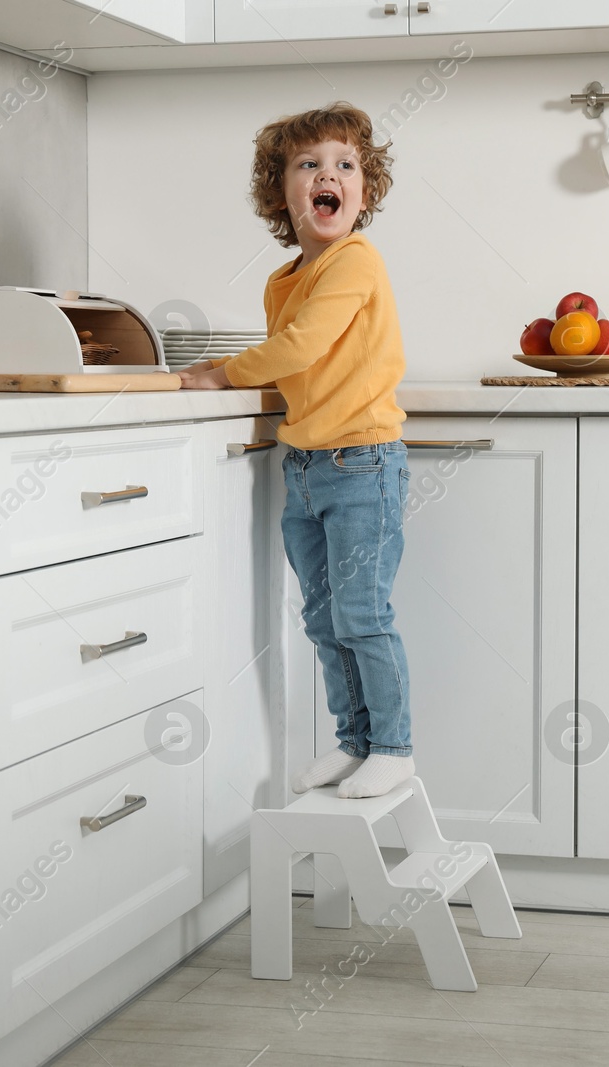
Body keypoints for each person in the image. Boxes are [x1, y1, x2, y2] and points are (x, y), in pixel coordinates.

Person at [178, 102, 412, 799]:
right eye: (308, 165)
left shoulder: (355, 262)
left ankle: (394, 745)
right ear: (281, 195)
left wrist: (220, 373)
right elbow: (298, 360)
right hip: (308, 468)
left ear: (363, 191)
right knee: (321, 616)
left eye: (345, 165)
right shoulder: (285, 281)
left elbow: (300, 347)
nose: (327, 175)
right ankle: (355, 741)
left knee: (363, 613)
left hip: (362, 463)